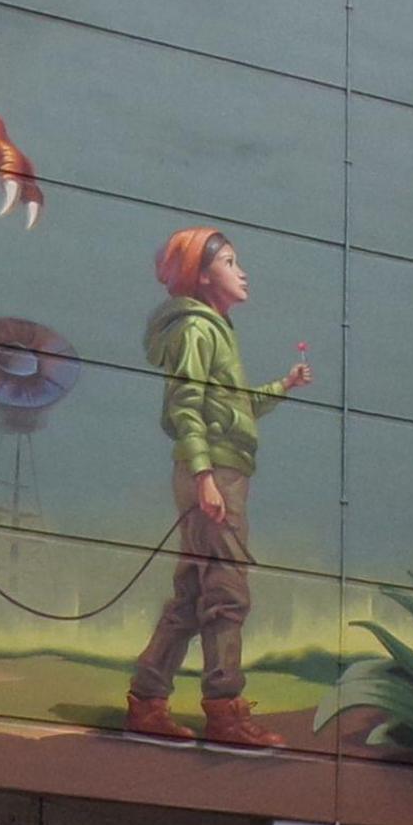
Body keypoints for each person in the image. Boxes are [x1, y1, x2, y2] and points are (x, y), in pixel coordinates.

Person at [124, 226, 311, 750]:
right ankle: (225, 712)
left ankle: (147, 700)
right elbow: (186, 405)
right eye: (230, 262)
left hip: (217, 470)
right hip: (215, 475)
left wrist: (283, 387)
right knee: (227, 592)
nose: (242, 271)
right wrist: (206, 477)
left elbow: (229, 404)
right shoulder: (199, 331)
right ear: (203, 277)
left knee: (191, 593)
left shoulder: (215, 329)